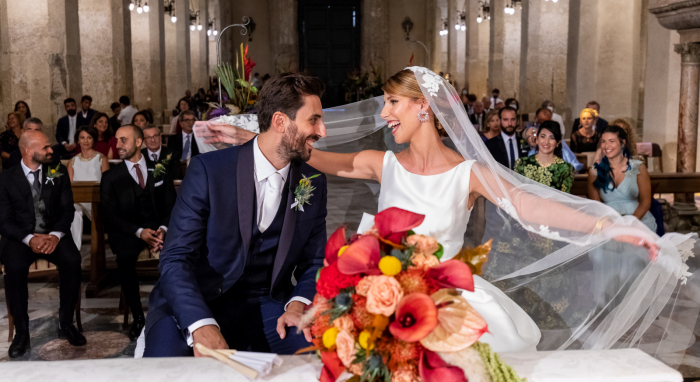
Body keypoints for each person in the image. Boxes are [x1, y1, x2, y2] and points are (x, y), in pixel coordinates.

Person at [196, 66, 688, 357]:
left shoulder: (468, 172)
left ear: (424, 108)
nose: (384, 114)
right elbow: (308, 153)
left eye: (392, 102)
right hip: (378, 301)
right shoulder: (382, 163)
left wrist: (607, 225)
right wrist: (251, 137)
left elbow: (529, 204)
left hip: (449, 306)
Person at [142, 73, 328, 357]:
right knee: (167, 371)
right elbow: (175, 258)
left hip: (267, 304)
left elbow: (314, 261)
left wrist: (297, 304)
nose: (322, 130)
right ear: (280, 122)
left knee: (321, 357)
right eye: (313, 120)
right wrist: (201, 323)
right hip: (195, 300)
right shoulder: (209, 171)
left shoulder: (312, 181)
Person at [0, 131, 85, 357]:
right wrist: (30, 239)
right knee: (14, 269)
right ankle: (22, 332)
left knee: (73, 261)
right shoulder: (6, 178)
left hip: (53, 235)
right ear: (28, 151)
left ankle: (66, 322)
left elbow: (68, 209)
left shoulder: (57, 171)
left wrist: (55, 235)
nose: (51, 150)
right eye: (46, 147)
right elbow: (4, 221)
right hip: (21, 238)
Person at [101, 125, 176, 341]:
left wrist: (162, 229)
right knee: (124, 259)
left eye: (123, 140)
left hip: (159, 228)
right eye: (117, 141)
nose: (118, 145)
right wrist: (139, 232)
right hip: (128, 231)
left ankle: (173, 310)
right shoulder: (110, 177)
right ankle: (138, 317)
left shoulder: (160, 168)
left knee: (181, 253)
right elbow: (110, 216)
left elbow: (172, 206)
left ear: (138, 142)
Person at [588, 126, 656, 232]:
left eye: (611, 141)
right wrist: (610, 225)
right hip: (608, 223)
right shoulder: (594, 172)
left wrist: (629, 224)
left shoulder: (638, 168)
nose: (606, 146)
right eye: (603, 141)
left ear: (622, 143)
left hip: (637, 221)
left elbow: (646, 202)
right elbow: (596, 206)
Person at [515, 121, 575, 193]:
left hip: (554, 204)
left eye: (552, 138)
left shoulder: (566, 168)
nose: (546, 142)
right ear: (537, 139)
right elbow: (517, 194)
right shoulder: (521, 164)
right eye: (543, 136)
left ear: (557, 143)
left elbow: (565, 199)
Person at [68, 126, 109, 220]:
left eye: (89, 137)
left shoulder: (102, 159)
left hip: (96, 199)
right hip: (78, 201)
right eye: (82, 138)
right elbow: (70, 187)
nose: (85, 141)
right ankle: (76, 236)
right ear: (78, 140)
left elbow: (106, 184)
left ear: (94, 140)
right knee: (73, 210)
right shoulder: (72, 162)